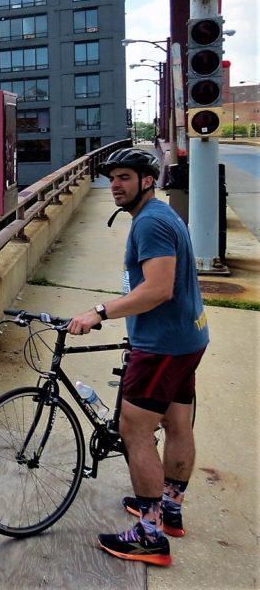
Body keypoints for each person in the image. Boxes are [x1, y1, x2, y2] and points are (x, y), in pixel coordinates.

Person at [66, 148, 209, 567]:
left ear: (147, 180)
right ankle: (170, 510)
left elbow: (158, 289)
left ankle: (149, 535)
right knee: (177, 422)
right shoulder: (162, 215)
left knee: (135, 429)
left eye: (125, 177)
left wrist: (99, 312)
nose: (115, 185)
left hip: (162, 344)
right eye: (112, 178)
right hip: (188, 336)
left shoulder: (150, 223)